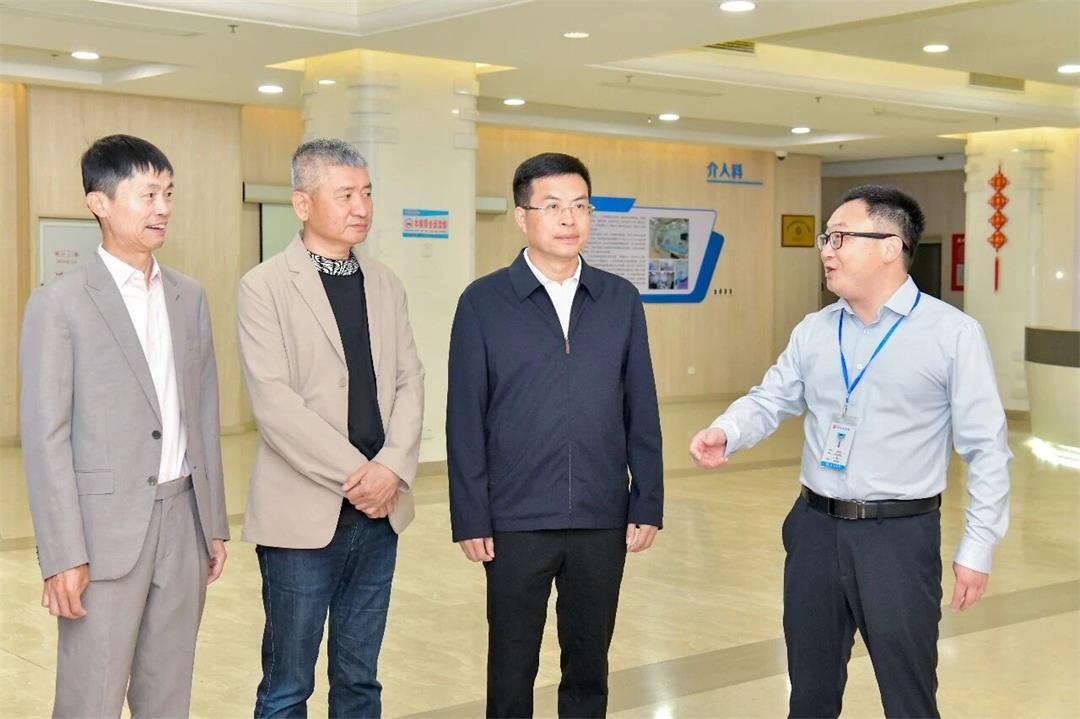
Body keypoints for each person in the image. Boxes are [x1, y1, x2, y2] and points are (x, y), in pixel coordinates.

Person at [689, 185, 1012, 719]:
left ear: (890, 246)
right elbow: (771, 398)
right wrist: (728, 430)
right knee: (809, 694)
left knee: (908, 698)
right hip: (815, 530)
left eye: (840, 237)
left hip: (898, 539)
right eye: (825, 239)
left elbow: (987, 450)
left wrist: (978, 547)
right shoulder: (815, 330)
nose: (827, 250)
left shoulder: (952, 335)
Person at [447, 152, 663, 718]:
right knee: (511, 663)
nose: (569, 219)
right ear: (522, 217)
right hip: (514, 519)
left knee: (589, 665)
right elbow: (464, 418)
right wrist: (471, 515)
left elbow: (641, 407)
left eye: (580, 206)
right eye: (552, 206)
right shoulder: (483, 302)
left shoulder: (619, 299)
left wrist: (647, 501)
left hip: (601, 515)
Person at [20, 133, 229, 718]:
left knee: (169, 694)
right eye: (147, 194)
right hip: (101, 534)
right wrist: (62, 554)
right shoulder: (60, 304)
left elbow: (203, 414)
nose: (163, 208)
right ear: (100, 203)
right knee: (91, 697)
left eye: (168, 194)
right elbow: (46, 439)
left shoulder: (190, 296)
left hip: (182, 522)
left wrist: (212, 522)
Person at [237, 138, 424, 718]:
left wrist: (391, 469)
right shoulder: (264, 286)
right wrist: (362, 475)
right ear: (302, 203)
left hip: (379, 515)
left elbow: (410, 381)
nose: (360, 207)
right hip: (302, 517)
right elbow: (275, 404)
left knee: (360, 681)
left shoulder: (385, 283)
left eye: (366, 193)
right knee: (287, 686)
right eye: (345, 195)